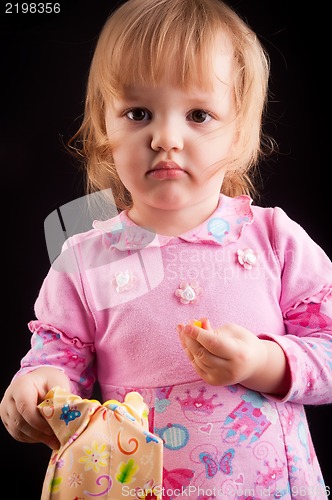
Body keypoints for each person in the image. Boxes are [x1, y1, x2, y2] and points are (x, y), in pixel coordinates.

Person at [1, 0, 331, 498]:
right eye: (138, 113)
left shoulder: (274, 241)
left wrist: (265, 364)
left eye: (199, 114)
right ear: (103, 124)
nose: (166, 138)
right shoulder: (84, 259)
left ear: (239, 129)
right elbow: (58, 357)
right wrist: (39, 387)